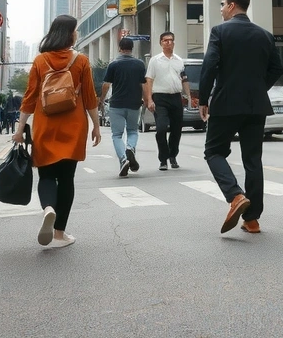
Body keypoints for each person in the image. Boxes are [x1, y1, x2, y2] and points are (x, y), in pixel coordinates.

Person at [199, 0, 283, 235]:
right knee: (252, 160)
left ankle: (235, 196)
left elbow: (209, 67)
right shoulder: (265, 35)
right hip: (256, 105)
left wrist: (203, 99)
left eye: (223, 4)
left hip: (226, 103)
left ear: (233, 5)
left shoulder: (219, 32)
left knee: (213, 151)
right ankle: (252, 220)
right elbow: (277, 68)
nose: (222, 9)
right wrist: (259, 87)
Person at [13, 15, 100, 248]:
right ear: (70, 33)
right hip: (74, 126)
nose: (77, 34)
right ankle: (59, 234)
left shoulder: (40, 61)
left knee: (47, 176)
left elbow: (29, 98)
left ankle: (48, 208)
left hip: (45, 125)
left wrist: (20, 129)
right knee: (67, 179)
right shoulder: (81, 61)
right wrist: (96, 126)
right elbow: (90, 98)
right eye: (76, 30)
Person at [144, 31, 191, 171]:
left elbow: (184, 79)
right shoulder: (155, 60)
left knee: (177, 129)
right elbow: (149, 80)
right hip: (160, 98)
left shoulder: (179, 60)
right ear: (161, 43)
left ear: (174, 42)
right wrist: (149, 99)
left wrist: (188, 96)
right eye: (165, 40)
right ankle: (163, 159)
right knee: (161, 128)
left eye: (171, 40)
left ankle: (173, 156)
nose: (168, 43)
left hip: (176, 97)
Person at [101, 36, 146, 177]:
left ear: (120, 48)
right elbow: (143, 84)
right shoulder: (139, 64)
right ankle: (130, 148)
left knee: (117, 134)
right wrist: (146, 99)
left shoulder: (114, 64)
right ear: (132, 48)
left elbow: (106, 84)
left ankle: (123, 159)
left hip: (117, 105)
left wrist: (101, 99)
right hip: (134, 104)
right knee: (133, 131)